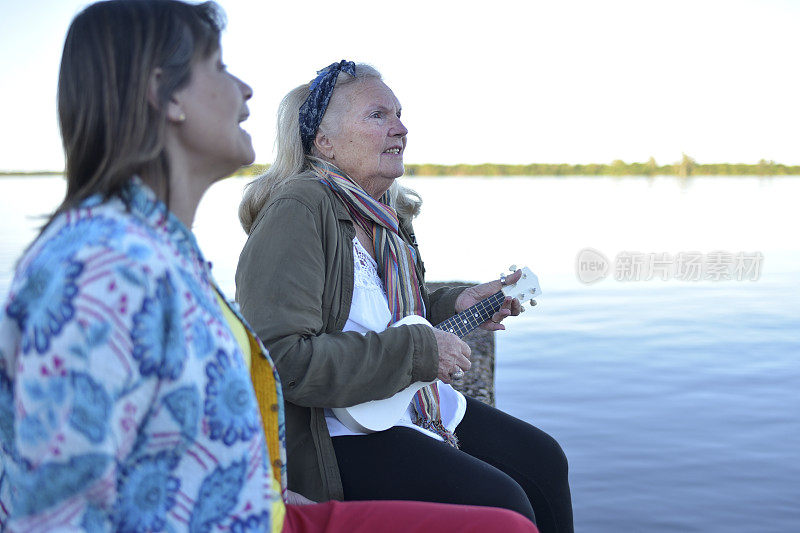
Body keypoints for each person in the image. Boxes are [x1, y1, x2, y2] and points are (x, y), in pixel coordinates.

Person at [0, 3, 538, 532]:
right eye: (218, 66)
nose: (248, 90)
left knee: (526, 487)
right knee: (504, 519)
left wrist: (268, 489)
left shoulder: (159, 251)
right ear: (161, 94)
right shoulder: (100, 267)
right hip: (265, 496)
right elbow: (53, 503)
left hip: (257, 499)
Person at [236, 60, 574, 533]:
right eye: (378, 115)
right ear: (323, 141)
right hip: (336, 431)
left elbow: (389, 312)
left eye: (399, 113)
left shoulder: (386, 215)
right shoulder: (298, 209)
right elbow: (279, 357)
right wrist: (418, 352)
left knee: (542, 460)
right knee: (501, 500)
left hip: (406, 399)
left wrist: (459, 303)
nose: (401, 127)